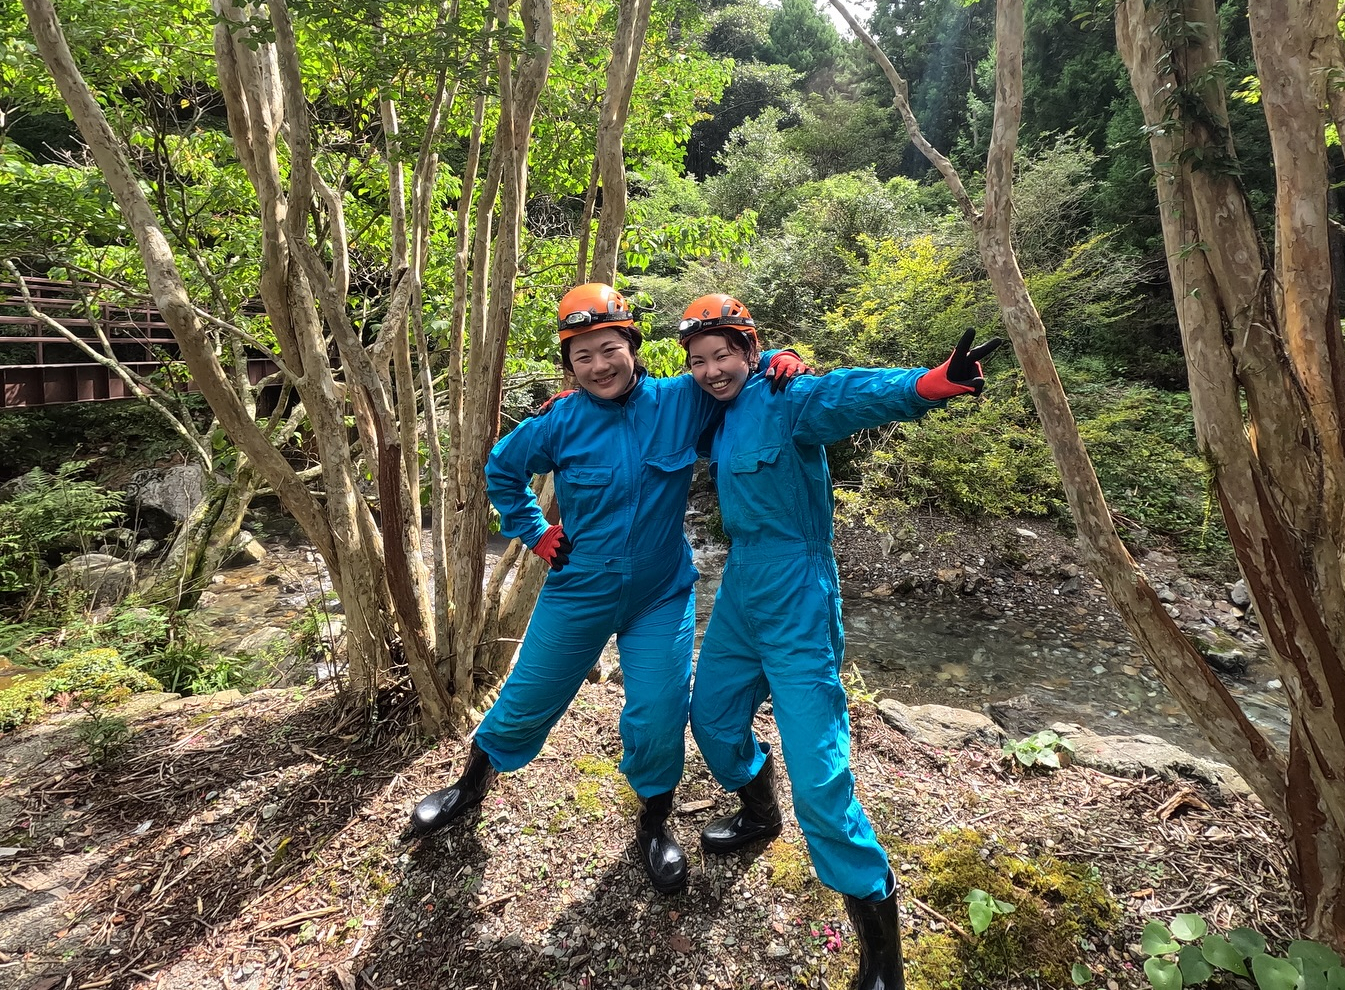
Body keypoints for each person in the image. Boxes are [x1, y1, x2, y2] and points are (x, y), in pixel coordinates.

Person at [405, 283, 807, 895]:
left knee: (658, 714)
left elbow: (733, 374)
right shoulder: (560, 419)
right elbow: (502, 470)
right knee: (528, 695)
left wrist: (785, 361)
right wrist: (534, 531)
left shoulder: (680, 401)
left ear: (633, 346)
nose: (598, 366)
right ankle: (470, 784)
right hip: (579, 589)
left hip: (660, 594)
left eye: (609, 348)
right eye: (582, 356)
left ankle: (653, 823)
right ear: (568, 366)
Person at [678, 293, 999, 990]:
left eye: (722, 355)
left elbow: (853, 394)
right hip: (739, 590)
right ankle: (760, 813)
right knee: (710, 717)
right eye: (698, 360)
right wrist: (572, 402)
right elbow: (641, 399)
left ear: (749, 350)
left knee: (820, 776)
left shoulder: (790, 396)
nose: (710, 369)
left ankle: (878, 935)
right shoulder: (713, 411)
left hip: (799, 590)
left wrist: (933, 382)